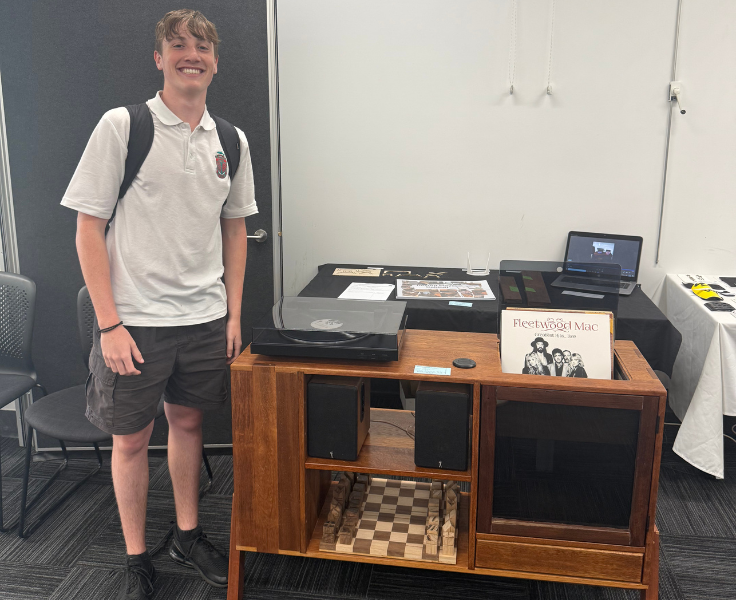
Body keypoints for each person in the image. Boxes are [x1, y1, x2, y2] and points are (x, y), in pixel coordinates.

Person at [60, 10, 257, 599]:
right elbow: (87, 229)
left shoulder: (230, 139)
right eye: (177, 46)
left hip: (202, 318)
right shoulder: (124, 126)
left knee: (190, 425)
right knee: (132, 441)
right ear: (158, 59)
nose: (189, 54)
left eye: (201, 46)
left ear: (216, 61)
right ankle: (136, 556)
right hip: (135, 323)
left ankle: (187, 534)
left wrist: (233, 313)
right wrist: (109, 323)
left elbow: (236, 228)